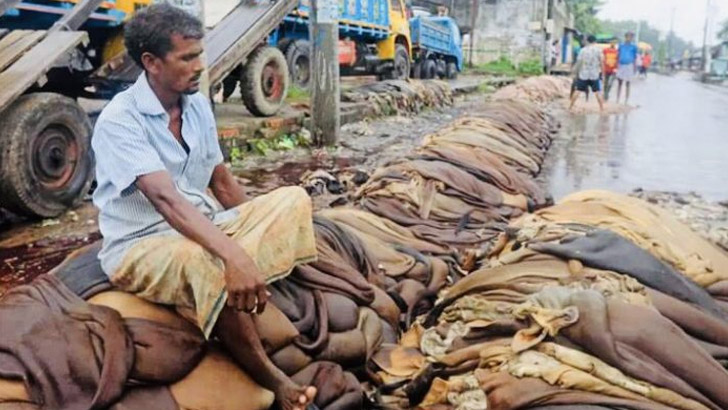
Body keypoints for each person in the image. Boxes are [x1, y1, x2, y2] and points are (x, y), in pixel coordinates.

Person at [91, 5, 317, 410]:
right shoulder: (118, 121)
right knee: (202, 260)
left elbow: (222, 182)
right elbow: (166, 200)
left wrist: (252, 228)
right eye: (188, 58)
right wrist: (232, 253)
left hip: (205, 222)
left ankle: (235, 283)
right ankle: (274, 380)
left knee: (292, 199)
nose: (200, 66)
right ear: (151, 63)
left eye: (200, 54)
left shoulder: (195, 104)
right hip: (143, 244)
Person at [569, 34, 605, 112]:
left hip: (583, 74)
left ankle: (570, 107)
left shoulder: (583, 50)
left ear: (587, 41)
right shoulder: (598, 50)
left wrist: (575, 72)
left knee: (578, 90)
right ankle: (602, 109)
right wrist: (603, 73)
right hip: (594, 74)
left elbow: (579, 62)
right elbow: (602, 62)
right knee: (597, 92)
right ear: (595, 41)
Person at [615, 31, 638, 104]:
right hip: (621, 65)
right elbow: (618, 56)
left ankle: (626, 100)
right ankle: (617, 99)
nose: (630, 38)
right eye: (628, 36)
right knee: (619, 82)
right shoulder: (621, 45)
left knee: (628, 83)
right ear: (625, 37)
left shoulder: (634, 47)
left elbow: (635, 58)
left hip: (629, 65)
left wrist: (634, 67)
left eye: (631, 37)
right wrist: (616, 65)